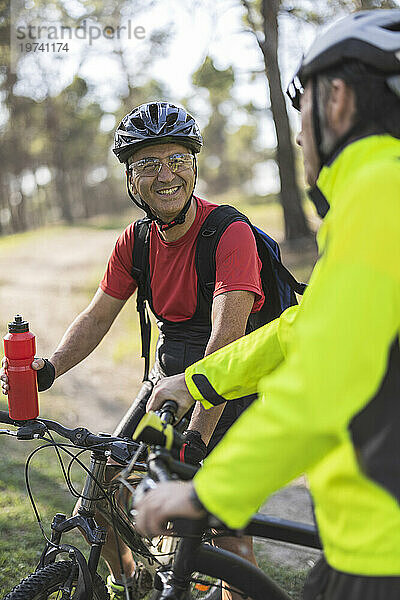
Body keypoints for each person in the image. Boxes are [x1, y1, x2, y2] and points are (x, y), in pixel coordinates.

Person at [135, 11, 400, 600]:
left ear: (336, 99)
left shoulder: (381, 197)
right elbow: (298, 329)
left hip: (383, 556)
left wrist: (208, 493)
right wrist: (199, 380)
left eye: (301, 106)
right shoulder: (377, 196)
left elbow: (322, 386)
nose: (300, 135)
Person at [1, 101, 268, 599]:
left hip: (233, 387)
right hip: (168, 388)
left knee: (226, 528)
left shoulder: (229, 234)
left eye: (177, 161)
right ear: (129, 177)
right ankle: (132, 582)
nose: (166, 175)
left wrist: (195, 439)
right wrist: (49, 369)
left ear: (193, 166)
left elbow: (224, 344)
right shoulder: (136, 242)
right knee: (105, 485)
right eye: (148, 164)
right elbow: (98, 316)